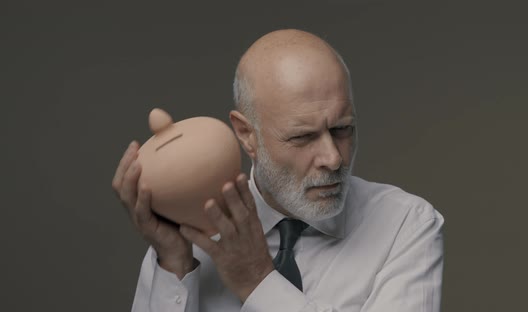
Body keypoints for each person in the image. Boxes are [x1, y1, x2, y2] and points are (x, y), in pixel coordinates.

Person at [112, 29, 444, 312]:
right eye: (303, 137)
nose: (332, 158)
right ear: (246, 134)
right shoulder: (193, 234)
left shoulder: (406, 224)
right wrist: (173, 264)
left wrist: (258, 281)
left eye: (343, 129)